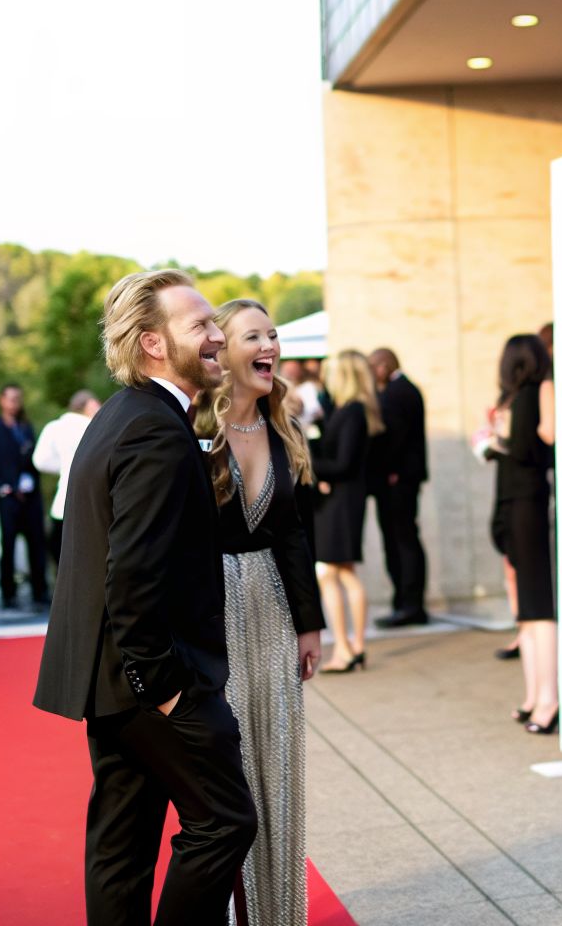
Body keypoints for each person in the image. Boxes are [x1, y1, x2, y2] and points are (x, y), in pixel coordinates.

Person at [33, 269, 255, 925]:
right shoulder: (153, 429)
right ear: (154, 343)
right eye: (202, 326)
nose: (219, 336)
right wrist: (162, 686)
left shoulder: (124, 415)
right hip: (149, 680)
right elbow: (132, 574)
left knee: (123, 844)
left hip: (109, 681)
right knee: (224, 822)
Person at [193, 299, 324, 926]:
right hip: (208, 613)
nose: (270, 344)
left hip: (271, 607)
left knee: (279, 762)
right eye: (254, 335)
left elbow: (295, 534)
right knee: (226, 774)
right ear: (224, 350)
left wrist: (310, 622)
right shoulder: (192, 431)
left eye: (273, 334)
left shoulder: (283, 430)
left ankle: (278, 914)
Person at [488, 334, 557, 733]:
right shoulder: (512, 397)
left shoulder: (541, 389)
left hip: (529, 498)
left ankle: (548, 699)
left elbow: (548, 438)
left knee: (538, 607)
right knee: (526, 611)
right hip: (513, 498)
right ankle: (535, 696)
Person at [310, 350, 383, 672]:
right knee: (338, 572)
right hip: (338, 498)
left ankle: (348, 647)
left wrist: (309, 461)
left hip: (342, 499)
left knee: (333, 572)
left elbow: (343, 464)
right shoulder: (342, 408)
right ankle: (351, 646)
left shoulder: (353, 411)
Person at [368, 348, 431, 628]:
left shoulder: (395, 393)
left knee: (401, 541)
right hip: (403, 478)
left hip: (397, 480)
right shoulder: (407, 389)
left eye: (372, 367)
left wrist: (389, 471)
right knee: (403, 539)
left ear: (383, 366)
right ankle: (407, 603)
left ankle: (409, 605)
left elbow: (394, 439)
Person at [0, 383, 47, 609]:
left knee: (36, 544)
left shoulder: (26, 428)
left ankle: (40, 592)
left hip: (29, 498)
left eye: (18, 399)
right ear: (2, 400)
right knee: (7, 545)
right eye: (11, 399)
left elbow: (36, 461)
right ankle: (9, 593)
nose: (14, 403)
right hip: (8, 498)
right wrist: (2, 487)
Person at [33, 389, 100, 572]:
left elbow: (40, 461)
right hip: (89, 501)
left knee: (62, 556)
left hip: (61, 502)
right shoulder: (95, 426)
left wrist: (65, 468)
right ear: (91, 405)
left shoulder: (54, 427)